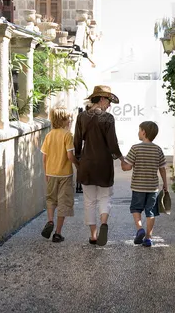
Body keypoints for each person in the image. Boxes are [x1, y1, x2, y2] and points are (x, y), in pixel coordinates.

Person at [74, 85, 124, 246]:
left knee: (89, 201)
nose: (109, 105)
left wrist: (78, 160)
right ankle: (104, 223)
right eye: (108, 101)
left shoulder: (82, 117)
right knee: (105, 197)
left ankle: (94, 235)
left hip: (87, 162)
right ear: (102, 99)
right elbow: (112, 143)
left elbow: (77, 141)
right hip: (104, 164)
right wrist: (121, 158)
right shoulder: (107, 118)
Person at [121, 121, 167, 247]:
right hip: (152, 188)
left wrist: (122, 163)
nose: (138, 132)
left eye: (139, 130)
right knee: (150, 212)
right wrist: (165, 184)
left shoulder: (135, 148)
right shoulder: (158, 149)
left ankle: (140, 228)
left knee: (136, 209)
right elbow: (162, 168)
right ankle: (148, 238)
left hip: (138, 187)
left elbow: (128, 167)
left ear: (144, 132)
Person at [41, 106, 79, 243]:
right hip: (65, 175)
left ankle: (50, 221)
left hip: (51, 173)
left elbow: (44, 157)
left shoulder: (49, 135)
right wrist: (78, 164)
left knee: (51, 199)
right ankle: (57, 233)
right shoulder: (67, 135)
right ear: (63, 120)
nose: (70, 120)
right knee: (64, 202)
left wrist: (46, 173)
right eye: (69, 118)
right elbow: (70, 156)